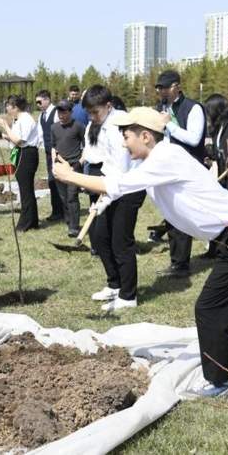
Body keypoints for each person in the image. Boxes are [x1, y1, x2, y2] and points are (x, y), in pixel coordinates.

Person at [53, 106, 228, 397]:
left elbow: (120, 184)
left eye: (127, 136)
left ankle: (217, 384)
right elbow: (121, 186)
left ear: (145, 136)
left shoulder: (166, 157)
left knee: (209, 308)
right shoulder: (156, 160)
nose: (123, 142)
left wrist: (70, 177)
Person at [80, 85, 143, 312]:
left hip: (130, 187)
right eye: (89, 113)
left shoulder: (120, 126)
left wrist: (105, 197)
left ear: (108, 106)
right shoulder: (102, 124)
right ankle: (114, 284)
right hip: (112, 182)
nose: (91, 117)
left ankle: (128, 296)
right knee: (99, 237)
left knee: (121, 242)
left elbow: (122, 167)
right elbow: (109, 165)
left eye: (94, 112)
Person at [155, 70, 207, 278]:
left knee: (184, 213)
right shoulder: (163, 108)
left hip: (188, 167)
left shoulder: (193, 108)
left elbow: (194, 139)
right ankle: (176, 261)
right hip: (168, 166)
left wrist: (168, 124)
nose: (161, 92)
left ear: (177, 87)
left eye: (165, 88)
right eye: (159, 89)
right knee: (170, 213)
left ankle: (183, 264)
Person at [0, 95, 41, 232]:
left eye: (8, 106)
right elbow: (15, 138)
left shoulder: (26, 119)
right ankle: (33, 220)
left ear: (15, 106)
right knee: (26, 189)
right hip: (23, 153)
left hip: (27, 155)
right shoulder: (19, 120)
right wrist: (4, 135)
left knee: (25, 190)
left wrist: (5, 125)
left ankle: (25, 223)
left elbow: (19, 141)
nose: (7, 109)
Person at [50, 100, 84, 237]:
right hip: (60, 167)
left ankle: (74, 227)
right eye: (59, 112)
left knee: (72, 197)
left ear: (70, 112)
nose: (61, 115)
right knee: (63, 197)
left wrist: (79, 163)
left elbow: (87, 147)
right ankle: (69, 221)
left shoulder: (79, 126)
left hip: (74, 167)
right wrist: (54, 163)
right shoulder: (54, 128)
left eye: (64, 112)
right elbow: (53, 147)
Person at [36, 90, 64, 221]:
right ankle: (56, 211)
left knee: (61, 181)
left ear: (47, 99)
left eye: (39, 101)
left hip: (59, 153)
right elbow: (40, 135)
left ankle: (64, 211)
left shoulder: (56, 113)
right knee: (52, 181)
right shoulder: (41, 116)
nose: (38, 104)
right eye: (37, 102)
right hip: (48, 153)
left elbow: (61, 133)